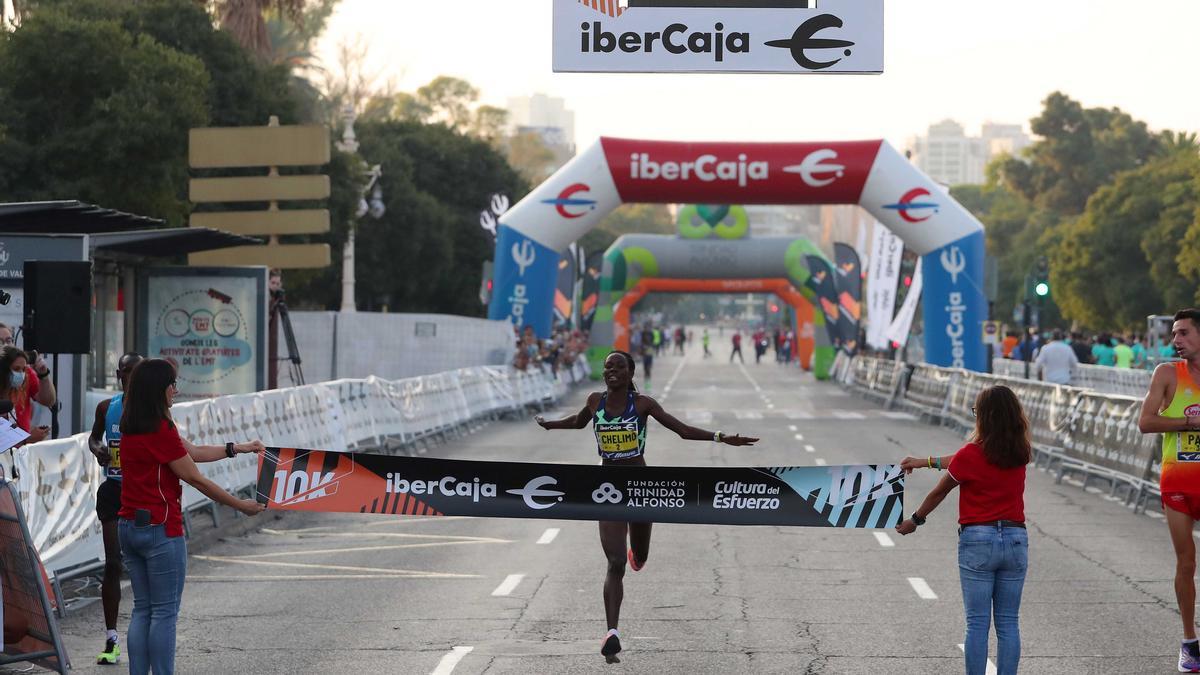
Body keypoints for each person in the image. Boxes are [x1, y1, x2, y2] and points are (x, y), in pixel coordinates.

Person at [533, 351, 757, 663]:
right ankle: (612, 632)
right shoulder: (594, 401)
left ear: (630, 373)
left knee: (638, 556)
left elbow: (683, 431)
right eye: (608, 366)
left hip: (641, 488)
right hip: (607, 490)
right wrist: (551, 425)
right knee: (615, 564)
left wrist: (721, 437)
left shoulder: (642, 404)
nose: (612, 370)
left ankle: (636, 555)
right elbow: (577, 422)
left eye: (618, 366)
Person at [118, 359, 266, 675]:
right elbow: (194, 476)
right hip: (160, 527)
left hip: (129, 524)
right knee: (164, 613)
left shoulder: (133, 425)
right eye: (172, 383)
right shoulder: (161, 428)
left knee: (142, 609)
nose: (176, 389)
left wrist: (238, 448)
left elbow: (192, 451)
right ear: (159, 389)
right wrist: (239, 506)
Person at [896, 385, 1031, 675]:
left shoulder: (971, 454)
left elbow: (938, 493)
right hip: (1016, 539)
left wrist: (914, 521)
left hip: (978, 541)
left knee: (977, 623)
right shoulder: (1021, 451)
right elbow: (959, 460)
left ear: (984, 416)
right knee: (1008, 622)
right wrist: (925, 462)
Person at [1137, 308, 1200, 672]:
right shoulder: (1166, 374)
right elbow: (1145, 422)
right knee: (1187, 562)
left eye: (1184, 333)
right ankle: (1189, 641)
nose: (1176, 340)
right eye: (1174, 334)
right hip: (1178, 483)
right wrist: (1189, 421)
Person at [87, 352, 143, 665]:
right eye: (127, 373)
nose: (132, 378)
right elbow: (94, 438)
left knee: (142, 564)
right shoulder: (106, 408)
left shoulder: (155, 409)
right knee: (113, 562)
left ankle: (147, 629)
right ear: (119, 375)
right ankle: (111, 638)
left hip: (143, 493)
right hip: (114, 490)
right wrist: (99, 451)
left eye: (137, 372)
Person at [0, 346, 55, 443]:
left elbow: (49, 400)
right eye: (16, 369)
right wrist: (27, 439)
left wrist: (43, 373)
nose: (21, 374)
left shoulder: (18, 389)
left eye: (23, 369)